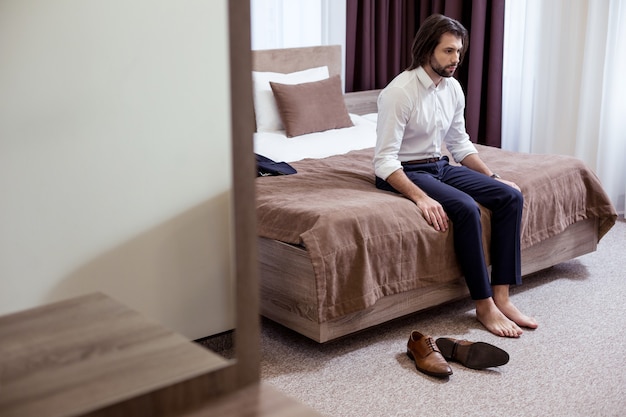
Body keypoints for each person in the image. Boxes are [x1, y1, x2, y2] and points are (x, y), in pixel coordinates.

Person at [374, 14, 538, 338]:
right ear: (426, 51)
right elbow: (383, 161)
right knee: (465, 207)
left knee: (509, 196)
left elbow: (459, 144)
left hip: (439, 164)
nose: (456, 60)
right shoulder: (400, 92)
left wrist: (493, 177)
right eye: (448, 51)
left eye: (459, 52)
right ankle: (484, 305)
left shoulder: (452, 89)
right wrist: (420, 197)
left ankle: (502, 296)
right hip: (404, 169)